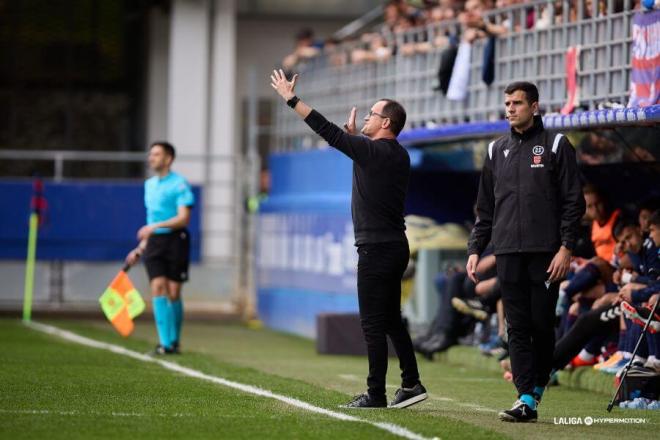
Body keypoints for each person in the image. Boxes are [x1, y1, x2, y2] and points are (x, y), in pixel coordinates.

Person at [270, 69, 427, 409]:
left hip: (377, 249)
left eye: (373, 113)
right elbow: (362, 154)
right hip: (394, 246)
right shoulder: (394, 153)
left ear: (386, 123)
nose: (367, 116)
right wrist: (357, 140)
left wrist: (291, 99)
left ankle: (376, 394)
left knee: (373, 323)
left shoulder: (374, 152)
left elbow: (326, 130)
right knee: (389, 320)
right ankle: (412, 383)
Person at [466, 81, 585, 422]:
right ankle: (525, 398)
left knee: (542, 324)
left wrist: (566, 248)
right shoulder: (496, 150)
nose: (510, 108)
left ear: (534, 106)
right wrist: (476, 248)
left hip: (546, 254)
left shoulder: (557, 145)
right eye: (507, 103)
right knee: (516, 327)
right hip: (507, 252)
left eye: (517, 103)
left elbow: (574, 203)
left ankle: (535, 389)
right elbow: (485, 209)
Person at [125, 141, 194, 355]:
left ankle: (174, 341)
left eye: (156, 154)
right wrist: (141, 247)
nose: (151, 158)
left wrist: (155, 226)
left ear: (168, 159)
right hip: (155, 242)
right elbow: (151, 220)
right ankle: (164, 344)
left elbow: (183, 218)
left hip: (176, 240)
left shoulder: (180, 184)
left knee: (174, 291)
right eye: (150, 154)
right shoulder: (149, 185)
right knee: (157, 287)